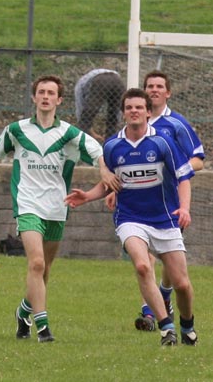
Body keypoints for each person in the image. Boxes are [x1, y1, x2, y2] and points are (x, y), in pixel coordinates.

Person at [0, 75, 119, 342]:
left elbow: (96, 150)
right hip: (27, 203)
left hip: (57, 206)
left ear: (59, 100)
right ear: (34, 98)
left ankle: (23, 311)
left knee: (44, 270)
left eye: (50, 92)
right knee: (35, 262)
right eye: (41, 92)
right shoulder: (17, 130)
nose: (45, 96)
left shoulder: (68, 133)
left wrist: (103, 169)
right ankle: (43, 327)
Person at [66, 88, 198, 346]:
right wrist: (88, 196)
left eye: (139, 107)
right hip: (130, 218)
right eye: (129, 108)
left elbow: (183, 178)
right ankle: (166, 327)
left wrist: (184, 208)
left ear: (148, 112)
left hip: (165, 220)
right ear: (124, 112)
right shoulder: (113, 146)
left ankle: (187, 326)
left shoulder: (162, 142)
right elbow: (110, 183)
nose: (134, 111)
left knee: (182, 284)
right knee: (141, 265)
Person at [131, 70, 204, 332]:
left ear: (168, 92)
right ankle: (150, 312)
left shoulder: (176, 124)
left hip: (170, 202)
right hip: (140, 204)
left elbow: (198, 158)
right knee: (145, 258)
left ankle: (164, 293)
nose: (154, 89)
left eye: (159, 86)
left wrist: (175, 169)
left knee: (168, 265)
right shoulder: (135, 123)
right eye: (149, 85)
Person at [74, 69, 125, 142]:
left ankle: (85, 140)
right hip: (118, 80)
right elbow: (118, 112)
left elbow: (81, 108)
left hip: (101, 80)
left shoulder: (79, 87)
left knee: (88, 114)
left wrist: (83, 123)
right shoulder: (85, 82)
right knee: (114, 113)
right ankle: (110, 138)